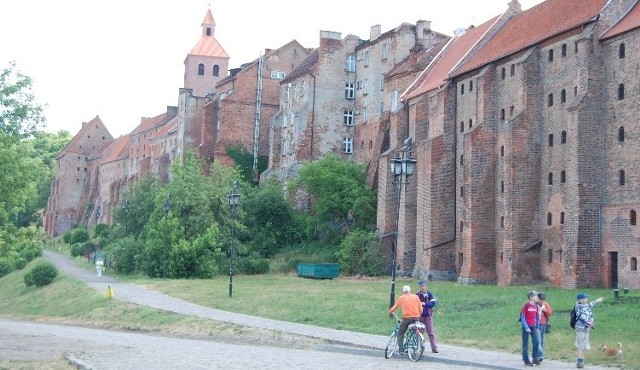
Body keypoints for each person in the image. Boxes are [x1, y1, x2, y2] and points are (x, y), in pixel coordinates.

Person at [388, 285, 422, 355]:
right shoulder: (416, 297)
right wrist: (418, 315)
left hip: (407, 318)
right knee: (415, 330)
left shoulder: (402, 298)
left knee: (400, 333)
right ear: (410, 290)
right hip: (416, 317)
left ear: (403, 291)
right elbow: (421, 309)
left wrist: (390, 312)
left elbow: (394, 307)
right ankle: (416, 346)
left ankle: (401, 350)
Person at [574, 292, 604, 369]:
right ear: (580, 299)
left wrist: (591, 321)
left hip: (586, 328)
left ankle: (582, 360)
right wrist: (588, 322)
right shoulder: (578, 306)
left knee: (585, 344)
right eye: (584, 298)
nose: (585, 299)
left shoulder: (586, 306)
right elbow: (583, 315)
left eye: (586, 298)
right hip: (580, 328)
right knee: (581, 345)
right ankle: (579, 361)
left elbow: (589, 312)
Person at [416, 280, 439, 353]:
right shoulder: (417, 295)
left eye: (423, 286)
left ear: (426, 286)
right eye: (421, 286)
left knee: (431, 332)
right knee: (419, 332)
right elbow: (415, 304)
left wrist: (424, 304)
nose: (422, 288)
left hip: (428, 315)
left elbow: (433, 304)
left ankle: (434, 348)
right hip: (420, 316)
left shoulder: (429, 294)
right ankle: (419, 347)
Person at [520, 290, 541, 366]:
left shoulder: (536, 306)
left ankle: (535, 358)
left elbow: (537, 317)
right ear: (531, 297)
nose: (536, 297)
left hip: (533, 326)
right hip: (526, 327)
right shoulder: (526, 306)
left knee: (536, 342)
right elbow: (522, 317)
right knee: (525, 344)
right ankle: (526, 361)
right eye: (535, 296)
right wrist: (526, 327)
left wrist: (537, 327)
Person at [537, 292, 553, 363]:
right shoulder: (534, 304)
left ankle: (539, 355)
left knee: (542, 339)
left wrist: (545, 310)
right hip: (536, 324)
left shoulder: (545, 304)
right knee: (537, 340)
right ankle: (539, 355)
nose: (542, 301)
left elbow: (550, 313)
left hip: (543, 324)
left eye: (543, 299)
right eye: (540, 299)